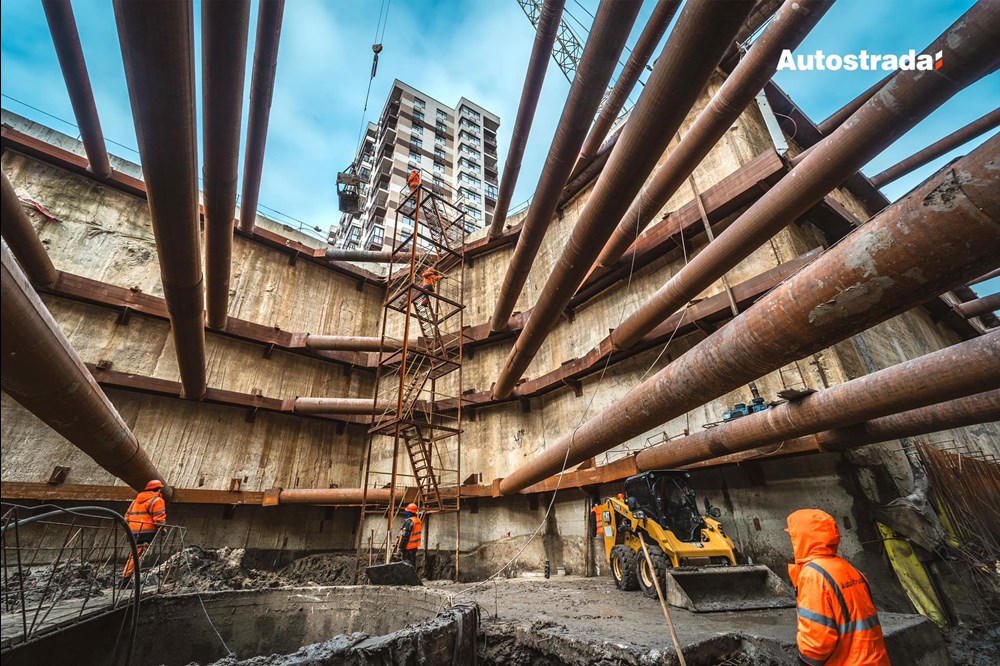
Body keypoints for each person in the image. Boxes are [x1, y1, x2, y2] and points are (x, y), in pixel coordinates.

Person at [786, 509, 890, 666]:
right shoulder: (849, 569)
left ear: (802, 537)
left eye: (792, 536)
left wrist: (804, 661)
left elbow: (818, 641)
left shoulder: (813, 575)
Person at [121, 479, 167, 586]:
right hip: (146, 533)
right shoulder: (157, 500)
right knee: (137, 557)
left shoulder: (135, 501)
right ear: (158, 489)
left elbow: (126, 517)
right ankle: (125, 580)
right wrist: (162, 529)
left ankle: (126, 578)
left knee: (134, 555)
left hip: (132, 532)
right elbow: (159, 518)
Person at [397, 502, 422, 567]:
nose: (405, 512)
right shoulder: (418, 521)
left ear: (410, 512)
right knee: (412, 564)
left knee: (406, 565)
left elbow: (405, 536)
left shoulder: (409, 522)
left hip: (408, 547)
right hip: (414, 547)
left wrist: (400, 548)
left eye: (406, 511)